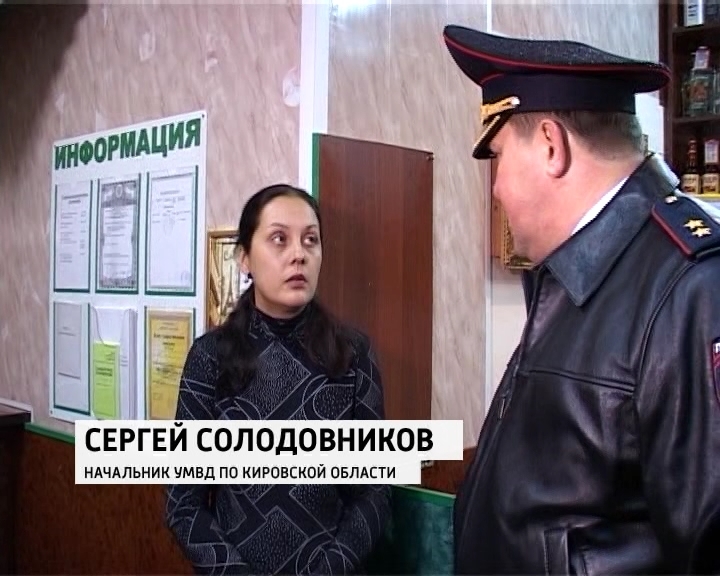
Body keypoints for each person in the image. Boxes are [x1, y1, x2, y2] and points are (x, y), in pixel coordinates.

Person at [442, 24, 720, 574]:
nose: (496, 188)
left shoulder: (692, 287)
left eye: (498, 157)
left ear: (551, 146)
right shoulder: (577, 275)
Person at [165, 184, 391, 575]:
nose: (298, 254)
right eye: (279, 239)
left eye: (310, 240)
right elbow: (183, 504)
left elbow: (374, 491)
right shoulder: (209, 358)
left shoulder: (352, 354)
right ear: (244, 258)